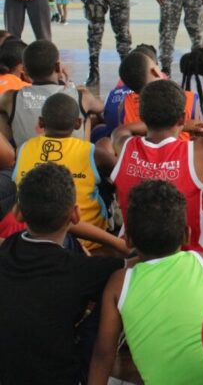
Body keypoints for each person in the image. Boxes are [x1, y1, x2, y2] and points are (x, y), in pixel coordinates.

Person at [89, 180, 203, 385]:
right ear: (187, 235)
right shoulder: (201, 262)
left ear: (127, 240)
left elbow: (103, 353)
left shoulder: (119, 282)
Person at [0, 163, 125, 385]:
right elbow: (133, 265)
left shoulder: (8, 246)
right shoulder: (84, 271)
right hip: (60, 376)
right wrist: (122, 245)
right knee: (117, 289)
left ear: (18, 213)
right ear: (76, 214)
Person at [111, 80, 203, 254]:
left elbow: (122, 130)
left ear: (142, 116)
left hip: (138, 249)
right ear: (181, 118)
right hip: (193, 251)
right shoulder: (200, 149)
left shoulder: (124, 145)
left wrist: (181, 125)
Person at [14, 93, 115, 251]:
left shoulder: (23, 149)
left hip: (36, 236)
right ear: (78, 124)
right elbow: (120, 172)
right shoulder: (93, 153)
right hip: (91, 243)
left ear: (41, 122)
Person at [0, 40, 103, 146]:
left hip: (28, 159)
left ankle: (10, 156)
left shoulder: (10, 97)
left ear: (24, 71)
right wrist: (74, 87)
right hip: (72, 160)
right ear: (58, 67)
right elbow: (103, 108)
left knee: (4, 114)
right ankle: (85, 154)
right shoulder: (82, 96)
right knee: (88, 115)